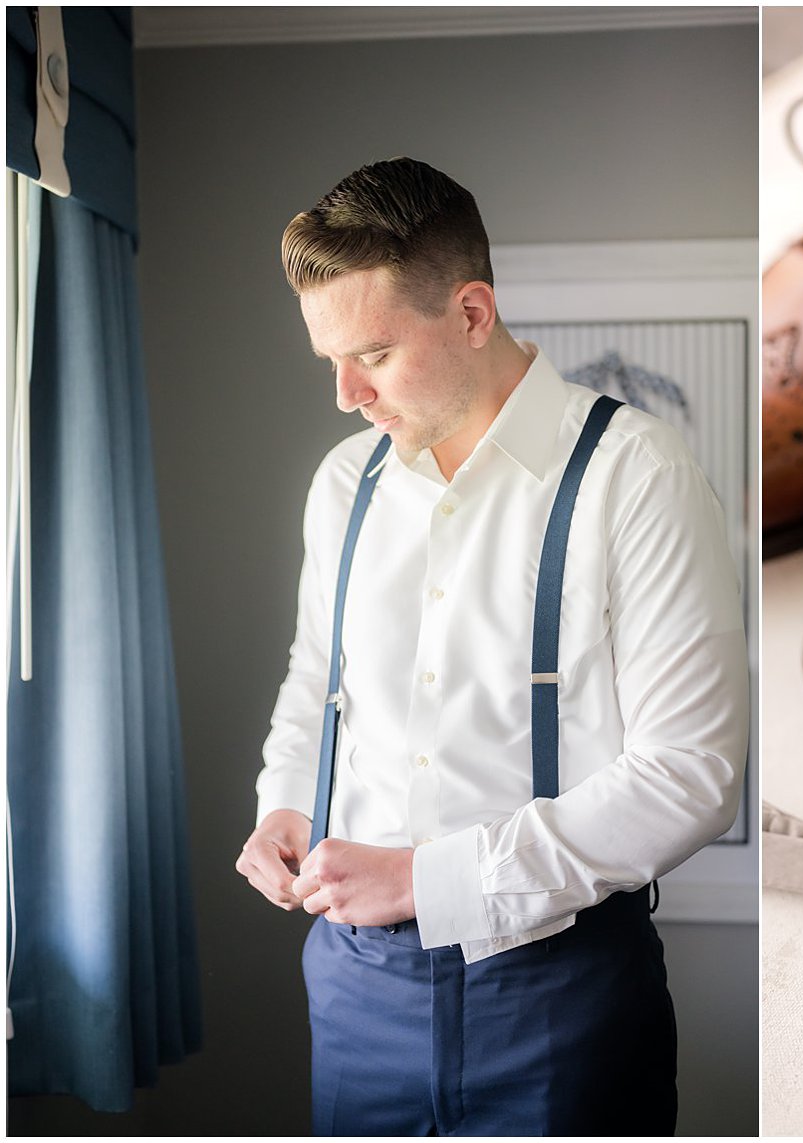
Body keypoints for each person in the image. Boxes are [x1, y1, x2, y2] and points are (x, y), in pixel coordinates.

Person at [233, 157, 749, 1136]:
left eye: (373, 356)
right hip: (352, 994)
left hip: (558, 995)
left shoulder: (635, 473)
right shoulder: (346, 483)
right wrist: (285, 802)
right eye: (328, 362)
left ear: (471, 312)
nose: (344, 395)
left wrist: (428, 881)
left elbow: (689, 773)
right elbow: (317, 685)